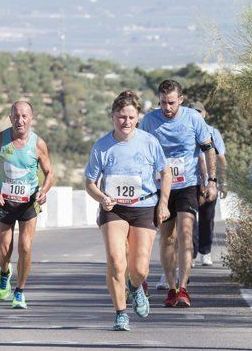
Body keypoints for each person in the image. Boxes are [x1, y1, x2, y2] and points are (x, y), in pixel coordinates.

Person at [86, 90, 171, 331]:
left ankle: (135, 288)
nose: (126, 122)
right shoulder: (102, 146)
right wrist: (102, 198)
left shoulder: (149, 142)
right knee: (115, 259)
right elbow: (90, 182)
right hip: (114, 209)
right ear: (113, 117)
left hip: (144, 206)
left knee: (140, 268)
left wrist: (163, 203)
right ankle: (120, 312)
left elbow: (164, 173)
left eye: (131, 118)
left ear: (138, 118)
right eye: (122, 117)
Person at [140, 80, 217, 307]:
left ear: (181, 100)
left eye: (171, 103)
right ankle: (172, 287)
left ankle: (183, 288)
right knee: (168, 238)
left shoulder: (193, 118)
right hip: (160, 188)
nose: (167, 108)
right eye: (163, 103)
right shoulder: (149, 121)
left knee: (185, 233)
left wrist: (211, 181)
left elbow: (208, 148)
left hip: (187, 184)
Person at [0, 101, 54, 309]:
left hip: (29, 202)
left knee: (26, 247)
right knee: (4, 251)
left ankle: (19, 292)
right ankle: (4, 272)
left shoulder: (38, 144)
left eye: (24, 116)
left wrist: (43, 191)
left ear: (31, 118)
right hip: (3, 202)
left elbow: (50, 173)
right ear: (10, 118)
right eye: (16, 116)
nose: (20, 120)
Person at [190, 102, 227, 267]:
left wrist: (222, 182)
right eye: (193, 112)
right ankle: (189, 253)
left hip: (209, 183)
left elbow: (221, 158)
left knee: (207, 218)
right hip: (191, 182)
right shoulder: (186, 130)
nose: (196, 114)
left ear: (204, 113)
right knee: (189, 219)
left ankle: (205, 252)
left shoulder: (213, 132)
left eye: (199, 111)